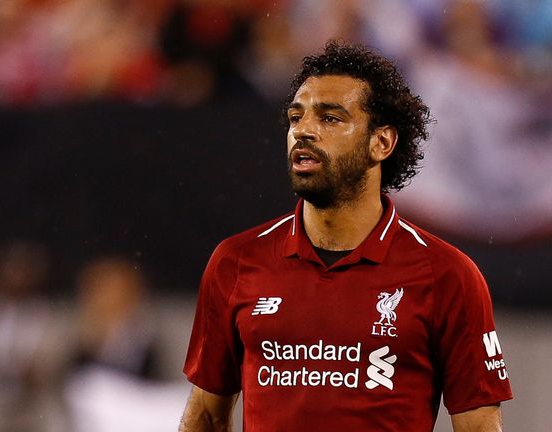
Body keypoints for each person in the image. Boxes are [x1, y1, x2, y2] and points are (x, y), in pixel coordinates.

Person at [180, 40, 512, 432]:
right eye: (296, 117)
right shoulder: (236, 261)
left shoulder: (447, 275)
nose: (303, 131)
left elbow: (478, 427)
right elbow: (205, 414)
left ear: (382, 142)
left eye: (330, 118)